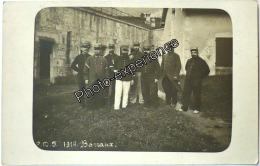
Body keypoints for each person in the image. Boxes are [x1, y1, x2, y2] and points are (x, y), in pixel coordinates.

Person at [178, 47, 210, 114]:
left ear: (198, 53)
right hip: (188, 80)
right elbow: (187, 68)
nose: (193, 54)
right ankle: (184, 107)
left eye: (195, 52)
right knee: (186, 94)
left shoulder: (201, 61)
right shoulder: (189, 61)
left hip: (196, 81)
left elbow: (207, 70)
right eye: (192, 53)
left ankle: (197, 108)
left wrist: (200, 77)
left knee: (196, 94)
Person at [84, 43, 109, 110]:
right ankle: (90, 107)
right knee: (90, 93)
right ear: (94, 50)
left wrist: (106, 79)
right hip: (91, 79)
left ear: (100, 50)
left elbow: (106, 71)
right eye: (95, 49)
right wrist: (86, 79)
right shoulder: (89, 59)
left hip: (101, 79)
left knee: (100, 93)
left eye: (98, 49)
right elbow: (85, 70)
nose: (96, 51)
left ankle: (98, 106)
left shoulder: (104, 60)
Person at [71, 42, 92, 109]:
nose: (85, 49)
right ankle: (82, 104)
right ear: (81, 48)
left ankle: (89, 104)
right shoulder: (78, 57)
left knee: (89, 89)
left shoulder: (90, 57)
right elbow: (72, 65)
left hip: (89, 76)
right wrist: (79, 71)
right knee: (81, 90)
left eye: (86, 47)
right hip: (81, 76)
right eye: (84, 47)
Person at [114, 45, 134, 110]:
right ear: (121, 51)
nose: (125, 52)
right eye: (123, 50)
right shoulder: (117, 58)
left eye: (126, 51)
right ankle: (116, 107)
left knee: (126, 93)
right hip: (119, 78)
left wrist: (132, 79)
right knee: (118, 93)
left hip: (127, 78)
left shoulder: (130, 59)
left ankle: (124, 106)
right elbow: (115, 68)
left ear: (128, 51)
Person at [140, 44, 160, 109]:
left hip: (151, 76)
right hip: (143, 76)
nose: (146, 51)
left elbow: (158, 68)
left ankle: (156, 104)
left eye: (147, 50)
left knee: (153, 91)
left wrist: (156, 77)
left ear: (150, 50)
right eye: (145, 50)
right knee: (145, 91)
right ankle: (147, 104)